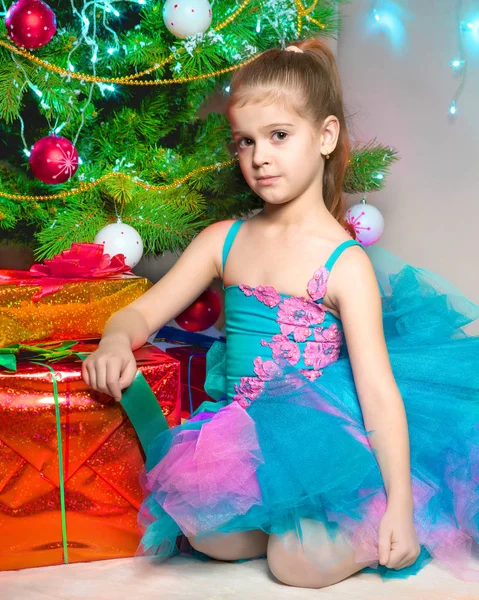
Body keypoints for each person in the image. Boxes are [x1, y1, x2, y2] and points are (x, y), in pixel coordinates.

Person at [82, 38, 479, 588]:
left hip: (329, 434)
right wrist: (114, 341)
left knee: (295, 565)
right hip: (244, 431)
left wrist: (401, 508)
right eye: (244, 141)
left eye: (278, 136)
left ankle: (364, 519)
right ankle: (282, 524)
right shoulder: (225, 241)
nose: (259, 157)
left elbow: (379, 394)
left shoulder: (344, 263)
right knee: (204, 532)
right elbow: (139, 314)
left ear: (326, 136)